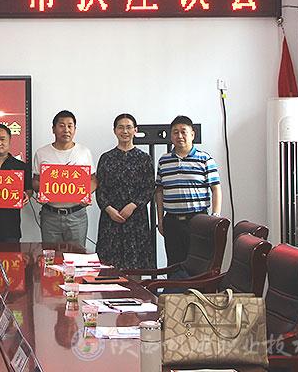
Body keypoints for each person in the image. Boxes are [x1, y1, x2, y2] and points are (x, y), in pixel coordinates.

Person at [156, 115, 222, 268]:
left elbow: (216, 189)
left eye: (183, 132)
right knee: (174, 265)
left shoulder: (205, 159)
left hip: (198, 220)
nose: (179, 136)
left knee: (198, 266)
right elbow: (159, 191)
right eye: (175, 132)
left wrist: (215, 217)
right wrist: (160, 220)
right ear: (171, 136)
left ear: (192, 134)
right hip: (172, 221)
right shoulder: (164, 161)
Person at [95, 113, 155, 269]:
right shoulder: (106, 158)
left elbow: (149, 188)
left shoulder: (144, 158)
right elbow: (100, 189)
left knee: (136, 265)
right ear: (115, 131)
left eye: (129, 127)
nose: (125, 131)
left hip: (136, 218)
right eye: (121, 127)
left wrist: (133, 205)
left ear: (135, 130)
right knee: (109, 266)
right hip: (111, 218)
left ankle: (136, 287)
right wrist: (109, 209)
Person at [32, 110, 97, 245]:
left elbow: (93, 180)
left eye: (70, 126)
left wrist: (86, 194)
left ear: (75, 129)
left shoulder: (84, 152)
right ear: (53, 129)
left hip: (77, 214)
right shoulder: (42, 153)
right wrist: (42, 191)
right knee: (51, 255)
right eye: (61, 126)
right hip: (50, 215)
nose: (66, 130)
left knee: (77, 255)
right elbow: (36, 181)